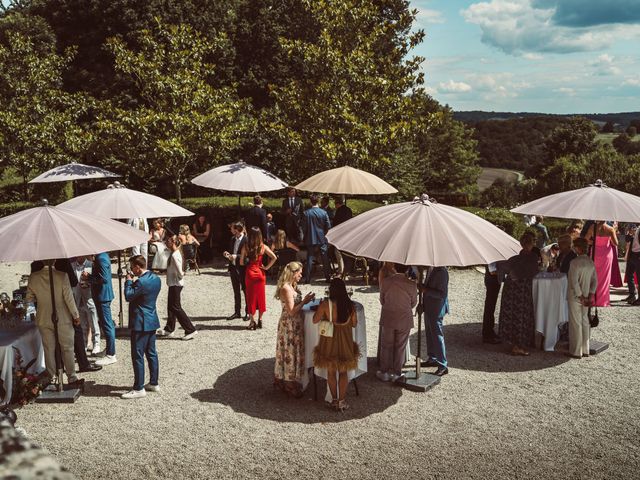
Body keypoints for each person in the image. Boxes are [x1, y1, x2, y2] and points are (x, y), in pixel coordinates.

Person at [26, 260, 84, 387]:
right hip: (62, 317)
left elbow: (29, 298)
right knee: (67, 348)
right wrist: (76, 315)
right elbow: (68, 298)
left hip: (43, 317)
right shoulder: (62, 276)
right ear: (54, 261)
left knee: (48, 348)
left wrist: (41, 296)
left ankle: (51, 376)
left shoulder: (34, 277)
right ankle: (71, 377)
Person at [313, 278, 360, 411]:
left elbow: (314, 320)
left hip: (329, 341)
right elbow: (355, 323)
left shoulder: (325, 304)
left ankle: (334, 400)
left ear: (331, 290)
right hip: (345, 341)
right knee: (344, 372)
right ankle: (342, 401)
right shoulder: (350, 305)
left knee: (331, 372)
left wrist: (325, 316)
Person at [273, 262, 315, 397]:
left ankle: (289, 380)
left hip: (296, 323)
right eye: (299, 273)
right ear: (293, 273)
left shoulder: (292, 286)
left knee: (294, 351)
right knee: (289, 352)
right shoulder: (286, 288)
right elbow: (291, 311)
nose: (301, 275)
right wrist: (305, 301)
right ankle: (288, 383)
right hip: (289, 324)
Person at [122, 255, 162, 399]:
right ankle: (154, 382)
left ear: (138, 267)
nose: (131, 270)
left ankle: (138, 388)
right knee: (151, 353)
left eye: (132, 267)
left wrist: (128, 281)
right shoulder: (156, 278)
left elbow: (128, 296)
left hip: (140, 322)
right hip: (152, 319)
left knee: (137, 355)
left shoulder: (140, 282)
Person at [499, 234, 539, 356]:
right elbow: (534, 272)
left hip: (510, 290)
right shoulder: (532, 258)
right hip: (522, 291)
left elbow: (502, 270)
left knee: (512, 315)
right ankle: (519, 346)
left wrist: (507, 277)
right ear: (531, 244)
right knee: (522, 316)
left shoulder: (515, 258)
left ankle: (513, 343)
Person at [377, 264, 417, 382]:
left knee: (386, 345)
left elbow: (382, 300)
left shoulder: (386, 282)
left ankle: (384, 371)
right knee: (400, 346)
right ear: (407, 269)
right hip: (404, 317)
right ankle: (397, 372)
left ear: (394, 267)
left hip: (388, 316)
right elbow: (413, 303)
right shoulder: (412, 284)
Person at [157, 236, 198, 340]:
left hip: (176, 284)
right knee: (171, 306)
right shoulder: (174, 253)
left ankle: (190, 329)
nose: (167, 243)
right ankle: (169, 329)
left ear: (173, 243)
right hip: (173, 283)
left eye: (168, 242)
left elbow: (180, 272)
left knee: (176, 307)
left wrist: (179, 276)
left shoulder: (175, 255)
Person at [240, 227, 277, 330]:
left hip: (250, 273)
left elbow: (241, 262)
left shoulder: (246, 246)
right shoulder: (263, 247)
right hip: (260, 273)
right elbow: (274, 257)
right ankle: (260, 319)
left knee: (250, 298)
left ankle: (252, 321)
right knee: (261, 298)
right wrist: (266, 267)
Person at [567, 237, 597, 359]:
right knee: (585, 321)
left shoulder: (574, 263)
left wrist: (581, 297)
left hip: (576, 297)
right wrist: (590, 294)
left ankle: (576, 350)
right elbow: (595, 280)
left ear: (578, 248)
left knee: (576, 323)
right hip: (586, 296)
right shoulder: (590, 262)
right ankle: (585, 349)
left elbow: (574, 282)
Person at [85, 252, 117, 367]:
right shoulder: (101, 256)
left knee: (107, 325)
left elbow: (103, 279)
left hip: (103, 296)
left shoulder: (101, 258)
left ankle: (111, 354)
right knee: (105, 324)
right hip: (102, 295)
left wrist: (89, 277)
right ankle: (109, 349)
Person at [420, 266, 449, 376]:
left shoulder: (442, 271)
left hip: (436, 308)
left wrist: (426, 290)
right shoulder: (430, 268)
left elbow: (442, 294)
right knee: (429, 333)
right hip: (429, 306)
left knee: (437, 335)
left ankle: (443, 365)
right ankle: (432, 358)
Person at [71, 256, 101, 355]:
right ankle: (83, 344)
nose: (79, 256)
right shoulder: (72, 266)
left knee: (93, 321)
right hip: (77, 298)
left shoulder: (91, 265)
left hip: (89, 298)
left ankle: (96, 343)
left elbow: (97, 280)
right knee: (82, 323)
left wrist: (89, 279)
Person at [585, 220, 618, 306]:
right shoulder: (610, 229)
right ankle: (603, 301)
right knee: (605, 277)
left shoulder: (593, 227)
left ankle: (593, 299)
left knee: (594, 276)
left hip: (595, 253)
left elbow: (585, 240)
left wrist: (593, 242)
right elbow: (615, 243)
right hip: (606, 254)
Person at [301, 194, 332, 284]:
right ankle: (328, 277)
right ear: (318, 201)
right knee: (325, 258)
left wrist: (305, 237)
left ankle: (307, 279)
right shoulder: (324, 213)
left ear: (310, 202)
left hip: (310, 238)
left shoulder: (306, 213)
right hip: (321, 238)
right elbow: (328, 226)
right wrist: (323, 234)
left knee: (310, 258)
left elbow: (304, 227)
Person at [223, 222, 248, 321]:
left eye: (232, 229)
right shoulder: (233, 239)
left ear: (237, 229)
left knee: (245, 291)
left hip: (243, 268)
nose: (231, 230)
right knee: (236, 291)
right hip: (233, 267)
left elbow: (247, 256)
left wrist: (236, 256)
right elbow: (231, 251)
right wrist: (228, 254)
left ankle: (248, 312)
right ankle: (237, 312)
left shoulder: (246, 240)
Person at [482, 261, 504, 344]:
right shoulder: (491, 259)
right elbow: (492, 271)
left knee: (491, 307)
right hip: (492, 280)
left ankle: (490, 331)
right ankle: (487, 334)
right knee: (490, 307)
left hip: (495, 280)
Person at [332, 197, 353, 276]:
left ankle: (341, 270)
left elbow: (335, 224)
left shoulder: (339, 211)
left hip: (340, 234)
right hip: (349, 234)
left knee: (338, 252)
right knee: (347, 253)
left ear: (337, 204)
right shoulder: (349, 210)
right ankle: (348, 269)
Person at [625, 223, 640, 304]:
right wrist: (629, 233)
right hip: (632, 255)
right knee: (629, 274)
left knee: (639, 277)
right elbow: (627, 240)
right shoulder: (636, 229)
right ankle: (632, 294)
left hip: (638, 255)